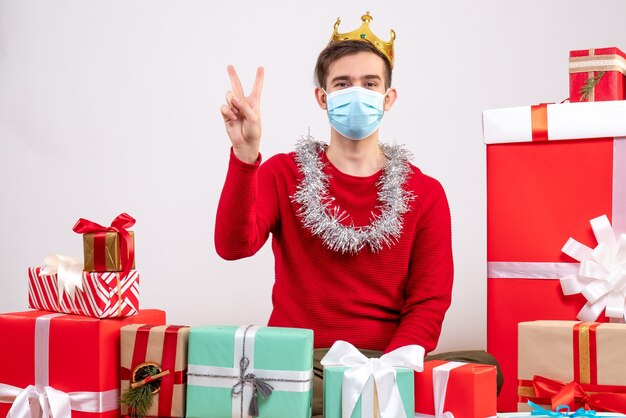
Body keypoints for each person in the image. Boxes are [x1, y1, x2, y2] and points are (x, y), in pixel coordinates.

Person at [216, 11, 501, 417]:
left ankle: (354, 401)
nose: (357, 92)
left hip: (387, 359)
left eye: (370, 84)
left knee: (487, 371)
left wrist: (385, 373)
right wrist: (245, 158)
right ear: (322, 97)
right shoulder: (282, 172)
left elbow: (429, 301)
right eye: (342, 83)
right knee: (293, 392)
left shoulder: (427, 193)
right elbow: (232, 247)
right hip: (303, 362)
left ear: (388, 98)